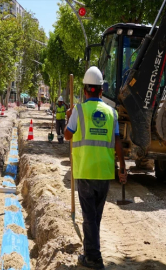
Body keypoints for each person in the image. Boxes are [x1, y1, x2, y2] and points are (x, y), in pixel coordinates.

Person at [64, 66, 127, 270]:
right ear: (101, 90)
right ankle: (90, 253)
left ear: (84, 90)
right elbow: (118, 142)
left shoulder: (78, 110)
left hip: (85, 171)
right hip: (104, 172)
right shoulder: (112, 113)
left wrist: (68, 117)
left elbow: (67, 135)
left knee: (90, 218)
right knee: (94, 217)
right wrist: (123, 168)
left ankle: (93, 258)